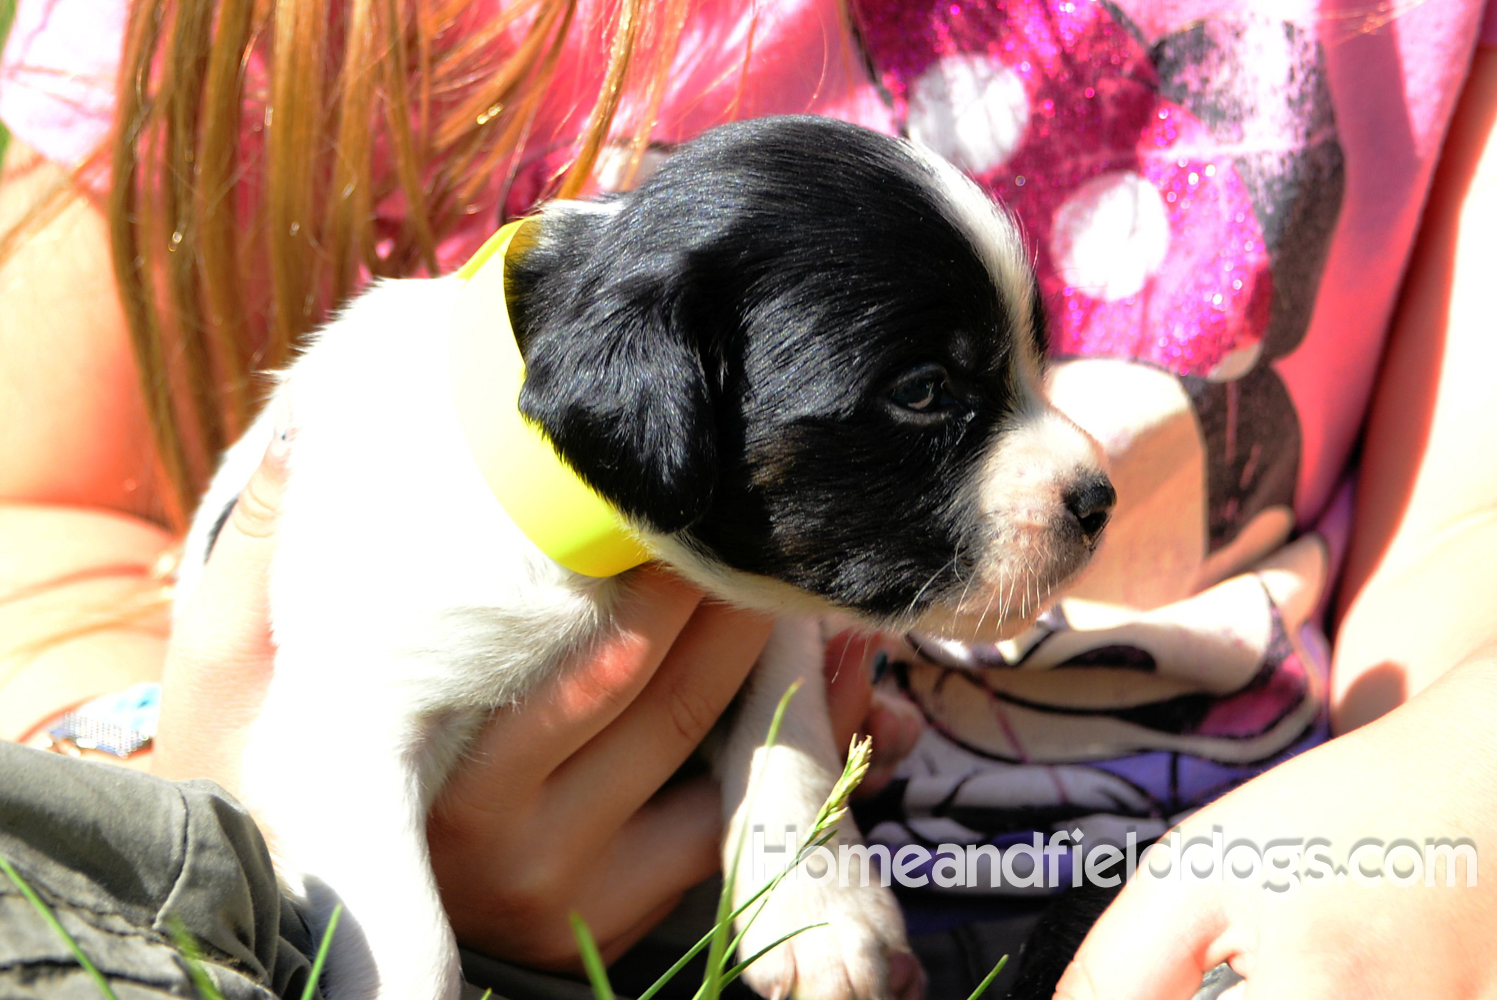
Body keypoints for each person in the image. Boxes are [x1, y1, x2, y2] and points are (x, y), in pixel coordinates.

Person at [1, 0, 1494, 998]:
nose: (1070, 463)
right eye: (929, 397)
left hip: (1205, 876)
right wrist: (169, 772)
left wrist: (1450, 796)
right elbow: (40, 515)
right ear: (663, 415)